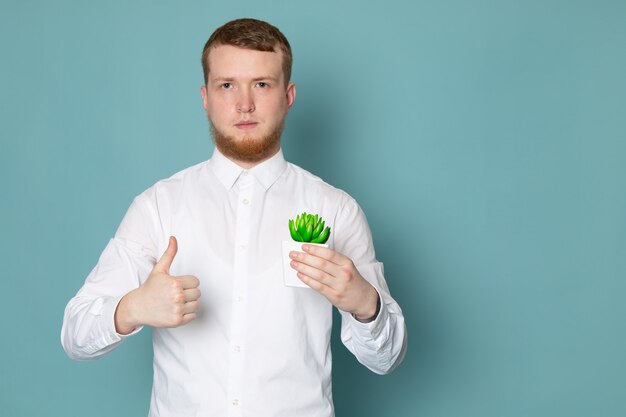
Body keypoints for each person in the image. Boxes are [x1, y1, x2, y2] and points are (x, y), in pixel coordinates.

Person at [61, 17, 407, 417]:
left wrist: (366, 302)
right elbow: (75, 334)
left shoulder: (336, 209)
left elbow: (387, 359)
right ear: (205, 96)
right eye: (227, 86)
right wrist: (131, 308)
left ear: (288, 95)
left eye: (262, 84)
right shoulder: (158, 206)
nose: (245, 104)